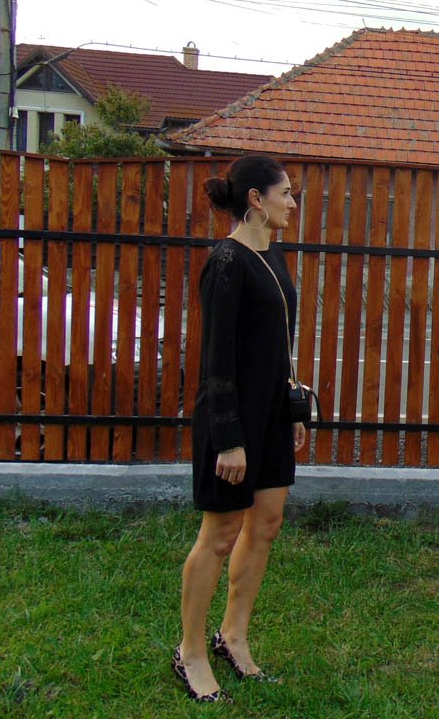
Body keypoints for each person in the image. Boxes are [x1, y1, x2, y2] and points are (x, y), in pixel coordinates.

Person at [174, 155, 306, 702]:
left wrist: (290, 409)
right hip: (231, 421)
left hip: (272, 415)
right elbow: (216, 359)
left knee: (267, 523)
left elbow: (275, 344)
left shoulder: (272, 255)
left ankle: (233, 636)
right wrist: (229, 439)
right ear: (256, 198)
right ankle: (191, 653)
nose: (292, 203)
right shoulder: (226, 262)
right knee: (221, 535)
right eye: (285, 193)